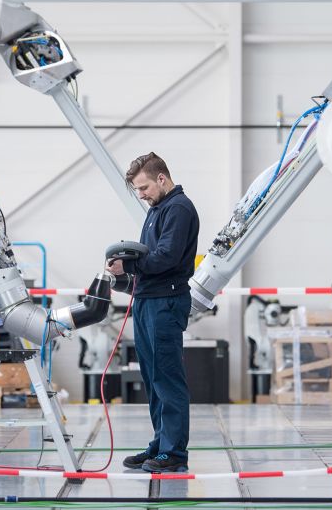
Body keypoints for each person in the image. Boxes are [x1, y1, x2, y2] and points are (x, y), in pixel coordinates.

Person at [106, 152, 199, 473]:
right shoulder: (158, 209)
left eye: (144, 187)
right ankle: (160, 443)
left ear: (162, 178)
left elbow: (166, 257)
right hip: (147, 301)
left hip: (165, 303)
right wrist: (123, 273)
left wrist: (128, 263)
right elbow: (150, 259)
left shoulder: (179, 209)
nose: (142, 195)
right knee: (153, 377)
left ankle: (174, 453)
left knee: (167, 378)